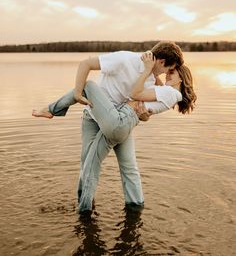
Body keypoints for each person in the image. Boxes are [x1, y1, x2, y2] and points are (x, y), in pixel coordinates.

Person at [33, 41, 187, 212]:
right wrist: (77, 93)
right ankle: (87, 205)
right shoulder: (124, 59)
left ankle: (133, 209)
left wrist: (145, 116)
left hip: (118, 121)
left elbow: (143, 110)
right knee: (88, 164)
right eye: (168, 69)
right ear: (161, 62)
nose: (166, 74)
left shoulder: (151, 79)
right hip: (93, 117)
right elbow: (86, 64)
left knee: (127, 167)